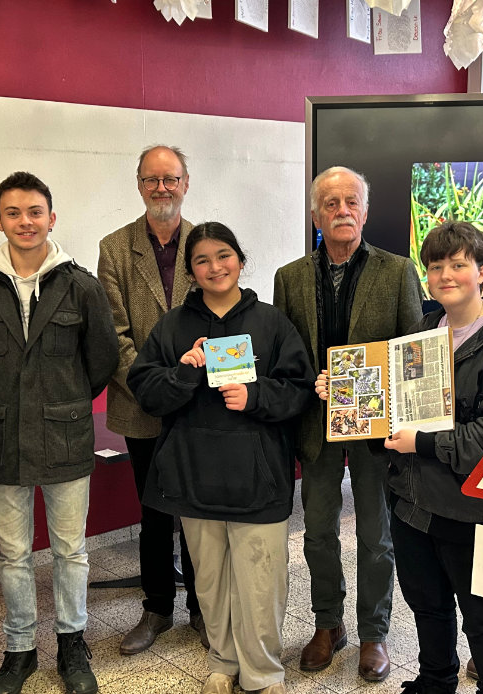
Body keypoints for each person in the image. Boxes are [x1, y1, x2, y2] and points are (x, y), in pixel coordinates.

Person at [128, 222, 314, 694]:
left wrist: (255, 396)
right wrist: (183, 373)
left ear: (241, 261)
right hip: (194, 474)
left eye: (224, 255)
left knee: (261, 582)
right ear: (191, 272)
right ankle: (222, 662)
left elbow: (300, 389)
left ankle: (264, 671)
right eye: (202, 260)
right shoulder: (173, 326)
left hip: (259, 477)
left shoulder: (272, 323)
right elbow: (145, 390)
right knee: (209, 581)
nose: (215, 267)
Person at [0, 172, 118, 694]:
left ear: (52, 218)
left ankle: (72, 643)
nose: (25, 222)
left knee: (70, 551)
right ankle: (19, 649)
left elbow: (101, 361)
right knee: (15, 555)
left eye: (35, 212)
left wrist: (60, 401)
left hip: (66, 437)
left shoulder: (82, 285)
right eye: (13, 213)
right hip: (1, 439)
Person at [272, 165, 422, 681]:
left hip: (374, 427)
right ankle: (328, 624)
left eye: (351, 201)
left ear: (365, 210)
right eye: (331, 203)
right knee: (317, 532)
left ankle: (374, 632)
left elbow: (411, 351)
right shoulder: (290, 277)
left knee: (377, 535)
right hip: (315, 423)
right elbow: (285, 355)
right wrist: (306, 385)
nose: (342, 211)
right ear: (316, 215)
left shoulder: (397, 271)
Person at [379, 221, 483, 694]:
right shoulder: (423, 332)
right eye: (435, 266)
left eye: (458, 264)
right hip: (413, 503)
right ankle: (436, 681)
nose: (445, 275)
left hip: (475, 509)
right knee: (428, 606)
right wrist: (353, 401)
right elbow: (398, 409)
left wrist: (423, 443)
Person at [97, 144, 206, 654]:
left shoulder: (206, 243)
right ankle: (157, 608)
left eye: (171, 178)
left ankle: (203, 609)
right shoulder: (114, 247)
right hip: (139, 402)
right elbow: (114, 333)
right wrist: (153, 385)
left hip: (199, 405)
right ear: (139, 185)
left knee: (199, 513)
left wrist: (187, 385)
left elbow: (219, 317)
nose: (162, 188)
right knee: (154, 513)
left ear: (186, 183)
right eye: (151, 179)